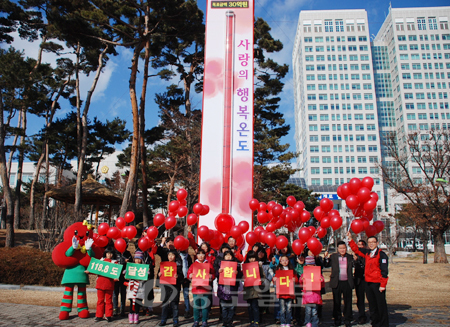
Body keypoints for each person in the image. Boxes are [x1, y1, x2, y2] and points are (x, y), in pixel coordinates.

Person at [348, 232, 389, 327]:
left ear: (377, 243)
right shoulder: (367, 253)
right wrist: (350, 239)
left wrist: (382, 285)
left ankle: (383, 324)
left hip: (377, 284)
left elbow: (384, 271)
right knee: (372, 306)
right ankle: (375, 323)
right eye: (369, 242)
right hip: (368, 283)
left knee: (381, 306)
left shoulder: (382, 255)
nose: (371, 244)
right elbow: (356, 250)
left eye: (373, 242)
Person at [324, 241, 354, 327]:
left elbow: (355, 265)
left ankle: (347, 319)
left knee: (348, 302)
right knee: (336, 302)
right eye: (340, 248)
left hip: (347, 282)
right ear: (338, 249)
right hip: (336, 282)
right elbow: (326, 265)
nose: (342, 250)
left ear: (346, 248)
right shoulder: (333, 256)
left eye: (344, 248)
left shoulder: (350, 257)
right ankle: (337, 319)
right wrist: (325, 257)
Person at [188, 249, 215, 327]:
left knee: (205, 307)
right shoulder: (193, 265)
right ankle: (196, 320)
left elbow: (214, 274)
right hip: (196, 289)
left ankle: (204, 321)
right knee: (196, 307)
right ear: (196, 255)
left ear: (205, 255)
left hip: (205, 289)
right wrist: (190, 275)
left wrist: (211, 276)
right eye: (199, 254)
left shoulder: (208, 264)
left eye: (202, 254)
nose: (201, 256)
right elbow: (188, 274)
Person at [158, 250, 183, 327]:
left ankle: (175, 320)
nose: (170, 257)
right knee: (165, 305)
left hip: (175, 288)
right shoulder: (163, 265)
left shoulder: (177, 266)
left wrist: (178, 276)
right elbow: (158, 278)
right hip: (165, 287)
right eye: (169, 255)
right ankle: (163, 320)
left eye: (172, 255)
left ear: (175, 256)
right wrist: (159, 275)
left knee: (174, 305)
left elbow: (182, 277)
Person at [217, 250, 242, 327]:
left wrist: (237, 273)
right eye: (226, 255)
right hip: (223, 289)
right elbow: (216, 275)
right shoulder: (220, 264)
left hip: (233, 289)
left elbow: (240, 275)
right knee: (224, 307)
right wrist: (218, 272)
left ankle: (230, 321)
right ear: (223, 256)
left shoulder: (236, 265)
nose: (228, 257)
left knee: (232, 307)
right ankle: (225, 321)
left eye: (230, 255)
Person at [94, 247, 118, 322]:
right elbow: (96, 270)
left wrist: (115, 278)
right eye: (107, 253)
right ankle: (99, 315)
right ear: (105, 253)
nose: (109, 255)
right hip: (100, 283)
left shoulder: (115, 262)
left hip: (109, 284)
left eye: (110, 253)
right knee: (100, 300)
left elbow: (116, 273)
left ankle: (108, 315)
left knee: (109, 300)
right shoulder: (101, 261)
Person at [299, 256, 325, 327]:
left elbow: (322, 285)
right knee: (308, 311)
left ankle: (315, 323)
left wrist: (321, 280)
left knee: (314, 311)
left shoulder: (318, 273)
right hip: (307, 296)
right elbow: (301, 284)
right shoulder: (304, 273)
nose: (310, 266)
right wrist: (301, 279)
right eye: (308, 264)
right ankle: (307, 322)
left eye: (312, 264)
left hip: (315, 295)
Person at [273, 254, 297, 327]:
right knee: (282, 309)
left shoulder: (291, 270)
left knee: (289, 308)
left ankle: (288, 322)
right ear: (280, 262)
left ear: (288, 261)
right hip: (282, 293)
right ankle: (283, 322)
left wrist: (294, 280)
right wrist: (274, 279)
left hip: (290, 293)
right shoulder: (278, 270)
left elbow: (296, 279)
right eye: (283, 260)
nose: (284, 262)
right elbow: (275, 279)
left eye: (286, 260)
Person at [243, 250, 265, 327]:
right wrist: (243, 278)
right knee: (249, 307)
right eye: (250, 258)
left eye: (253, 258)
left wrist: (261, 281)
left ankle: (256, 321)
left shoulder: (258, 266)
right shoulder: (245, 266)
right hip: (248, 290)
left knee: (255, 306)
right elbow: (243, 277)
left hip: (256, 289)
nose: (252, 259)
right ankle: (251, 320)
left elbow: (263, 276)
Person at [125, 251, 147, 324]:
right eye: (136, 259)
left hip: (140, 287)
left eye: (139, 259)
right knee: (132, 302)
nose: (137, 260)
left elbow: (146, 278)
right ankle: (131, 315)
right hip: (132, 286)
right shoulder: (131, 266)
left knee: (137, 302)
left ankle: (136, 316)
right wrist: (126, 273)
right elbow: (126, 275)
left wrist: (147, 273)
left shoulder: (143, 267)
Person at [113, 248, 132, 317]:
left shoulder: (128, 254)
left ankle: (122, 309)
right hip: (116, 276)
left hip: (124, 277)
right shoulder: (115, 253)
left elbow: (131, 264)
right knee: (115, 293)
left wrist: (127, 262)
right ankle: (115, 308)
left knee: (123, 293)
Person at [354, 239, 368, 324]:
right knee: (360, 298)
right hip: (358, 279)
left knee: (370, 297)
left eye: (361, 245)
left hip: (367, 279)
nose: (359, 246)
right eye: (358, 245)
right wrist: (355, 260)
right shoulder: (356, 255)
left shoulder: (367, 254)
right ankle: (362, 315)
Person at [294, 255, 306, 325]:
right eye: (299, 258)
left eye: (302, 258)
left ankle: (307, 318)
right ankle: (297, 318)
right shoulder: (294, 267)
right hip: (297, 287)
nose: (301, 259)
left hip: (306, 287)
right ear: (296, 259)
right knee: (298, 303)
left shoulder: (307, 267)